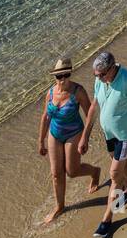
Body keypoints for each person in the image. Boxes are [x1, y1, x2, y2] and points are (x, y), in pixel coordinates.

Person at [80, 50, 127, 238]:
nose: (98, 78)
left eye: (101, 75)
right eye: (95, 75)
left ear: (111, 69)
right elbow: (93, 106)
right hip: (110, 135)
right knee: (120, 167)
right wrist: (85, 135)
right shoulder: (100, 80)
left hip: (124, 135)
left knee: (115, 174)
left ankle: (108, 219)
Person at [38, 57, 101, 225]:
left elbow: (90, 114)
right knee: (56, 174)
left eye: (66, 75)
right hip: (55, 133)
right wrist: (40, 141)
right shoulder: (50, 93)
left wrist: (85, 138)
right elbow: (45, 117)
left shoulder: (77, 92)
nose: (63, 79)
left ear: (70, 74)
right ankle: (60, 207)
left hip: (74, 133)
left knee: (71, 171)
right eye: (59, 76)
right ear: (55, 77)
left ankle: (95, 172)